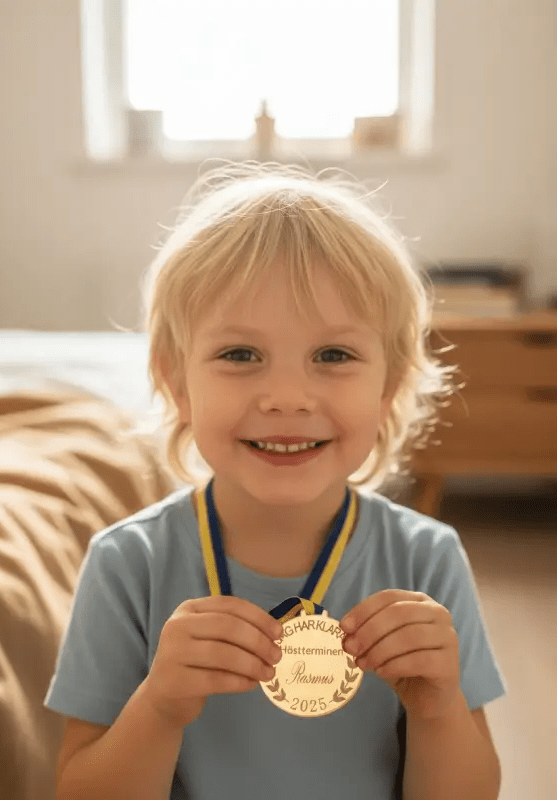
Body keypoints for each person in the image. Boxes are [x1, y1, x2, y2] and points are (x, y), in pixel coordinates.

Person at [44, 161, 507, 799]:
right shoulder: (129, 564)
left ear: (389, 386)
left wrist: (438, 707)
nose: (287, 396)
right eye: (240, 355)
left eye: (333, 355)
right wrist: (159, 707)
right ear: (178, 382)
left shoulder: (426, 559)